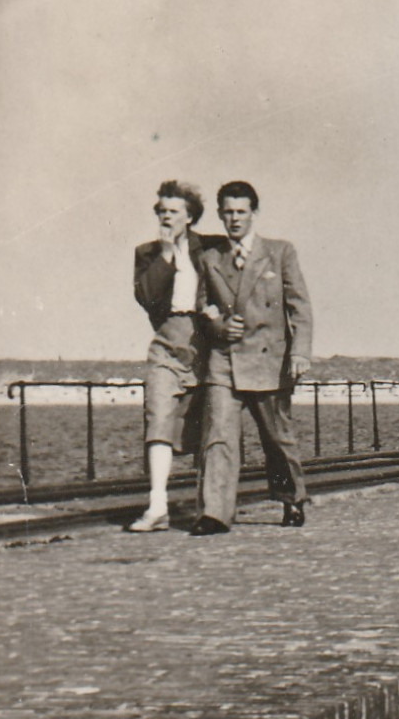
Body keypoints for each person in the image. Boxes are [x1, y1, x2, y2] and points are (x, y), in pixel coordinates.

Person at [191, 181, 312, 535]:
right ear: (220, 214)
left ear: (254, 214)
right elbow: (202, 305)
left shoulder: (279, 252)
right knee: (218, 436)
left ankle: (291, 499)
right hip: (224, 360)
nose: (234, 219)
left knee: (277, 438)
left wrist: (301, 351)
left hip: (268, 360)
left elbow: (300, 306)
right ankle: (214, 513)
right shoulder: (210, 258)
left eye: (241, 211)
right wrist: (217, 325)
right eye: (227, 212)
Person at [126, 180, 217, 532]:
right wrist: (165, 255)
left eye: (173, 211)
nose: (166, 216)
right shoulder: (147, 253)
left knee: (207, 426)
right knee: (159, 417)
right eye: (161, 210)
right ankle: (158, 506)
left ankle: (207, 506)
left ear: (189, 216)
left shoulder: (210, 247)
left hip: (206, 343)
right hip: (166, 341)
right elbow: (146, 296)